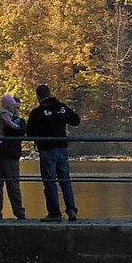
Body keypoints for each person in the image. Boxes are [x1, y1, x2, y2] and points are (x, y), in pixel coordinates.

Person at [28, 83, 81, 221]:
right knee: (65, 181)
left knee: (50, 182)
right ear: (49, 93)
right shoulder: (61, 107)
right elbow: (76, 120)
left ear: (38, 97)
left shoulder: (37, 112)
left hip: (47, 150)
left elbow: (30, 133)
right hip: (62, 148)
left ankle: (54, 213)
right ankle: (71, 210)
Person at [0, 93, 26, 219]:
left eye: (17, 108)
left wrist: (7, 126)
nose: (16, 110)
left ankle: (19, 211)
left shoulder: (20, 121)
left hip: (11, 156)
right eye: (14, 107)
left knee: (13, 185)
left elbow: (21, 131)